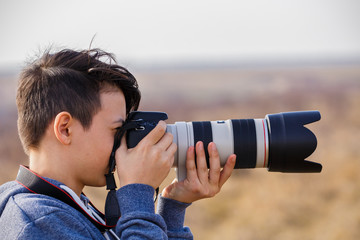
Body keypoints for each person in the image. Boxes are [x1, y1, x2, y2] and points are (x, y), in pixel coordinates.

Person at [0, 48, 236, 239]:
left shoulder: (63, 205)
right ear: (65, 129)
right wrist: (137, 191)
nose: (123, 142)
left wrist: (173, 206)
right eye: (116, 129)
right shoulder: (38, 223)